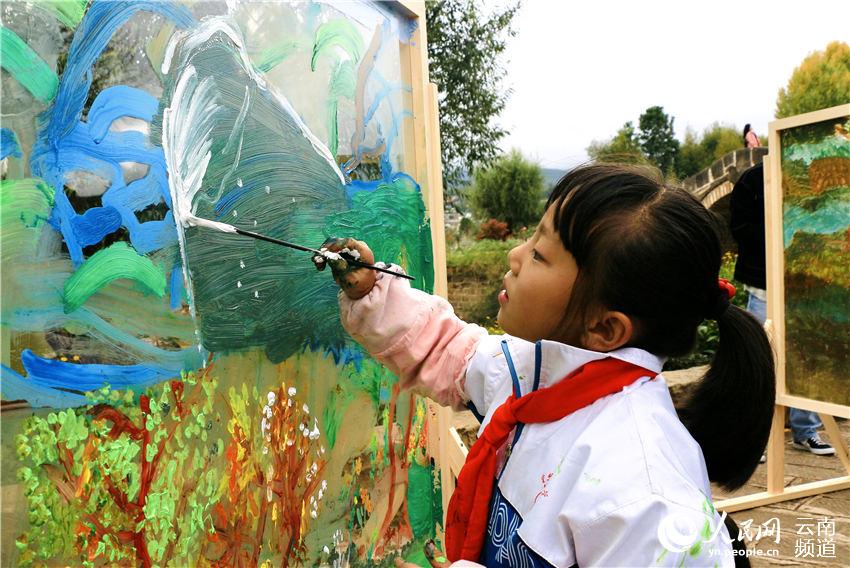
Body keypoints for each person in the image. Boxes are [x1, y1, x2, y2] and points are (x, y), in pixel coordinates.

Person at [316, 164, 774, 567]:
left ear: (605, 329)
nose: (515, 256)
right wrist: (370, 291)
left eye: (540, 253)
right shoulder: (538, 375)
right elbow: (447, 349)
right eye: (533, 236)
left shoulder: (645, 495)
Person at [730, 163, 835, 456]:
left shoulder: (807, 176)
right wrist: (780, 240)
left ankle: (805, 432)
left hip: (805, 287)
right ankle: (756, 440)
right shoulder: (753, 179)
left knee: (806, 361)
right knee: (761, 364)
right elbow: (739, 226)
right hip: (764, 285)